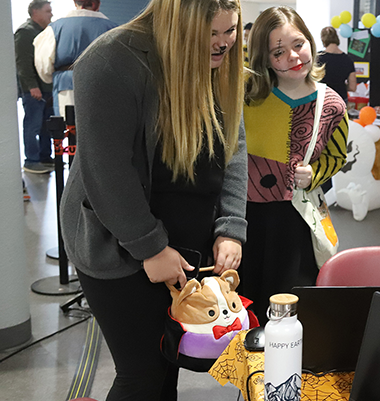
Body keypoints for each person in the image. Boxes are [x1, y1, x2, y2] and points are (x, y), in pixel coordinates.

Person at [59, 0, 246, 399]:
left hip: (183, 240)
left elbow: (233, 146)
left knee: (166, 366)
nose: (222, 45)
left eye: (229, 32)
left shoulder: (219, 64)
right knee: (141, 373)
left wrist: (231, 226)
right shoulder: (111, 60)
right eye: (210, 35)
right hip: (119, 242)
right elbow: (107, 171)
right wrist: (150, 246)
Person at [238, 6, 348, 319]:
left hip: (295, 222)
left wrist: (315, 173)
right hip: (245, 221)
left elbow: (336, 156)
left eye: (298, 44)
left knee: (288, 313)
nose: (293, 57)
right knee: (244, 312)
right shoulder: (246, 96)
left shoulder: (332, 106)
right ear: (264, 57)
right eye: (278, 52)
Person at [33, 0, 117, 117]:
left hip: (67, 88)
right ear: (97, 4)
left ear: (75, 2)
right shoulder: (115, 30)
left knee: (69, 129)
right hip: (105, 86)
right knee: (103, 129)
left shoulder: (54, 29)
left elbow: (44, 68)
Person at [15, 0, 53, 174]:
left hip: (45, 87)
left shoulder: (43, 32)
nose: (51, 15)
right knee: (33, 125)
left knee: (46, 125)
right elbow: (22, 63)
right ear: (35, 12)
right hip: (34, 89)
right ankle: (31, 161)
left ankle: (45, 158)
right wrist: (31, 87)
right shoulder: (25, 32)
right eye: (48, 11)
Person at [317, 26, 356, 102]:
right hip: (340, 98)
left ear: (323, 40)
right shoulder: (348, 59)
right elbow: (353, 87)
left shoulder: (318, 58)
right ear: (337, 38)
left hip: (323, 98)